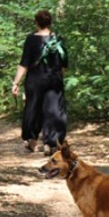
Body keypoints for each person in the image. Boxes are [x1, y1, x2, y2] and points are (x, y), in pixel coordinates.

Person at [12, 9, 68, 154]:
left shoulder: (31, 40)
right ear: (50, 22)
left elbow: (24, 63)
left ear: (36, 22)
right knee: (54, 110)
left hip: (35, 80)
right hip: (54, 79)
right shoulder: (58, 39)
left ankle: (32, 141)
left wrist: (16, 82)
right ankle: (51, 143)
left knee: (33, 108)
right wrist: (59, 77)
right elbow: (63, 65)